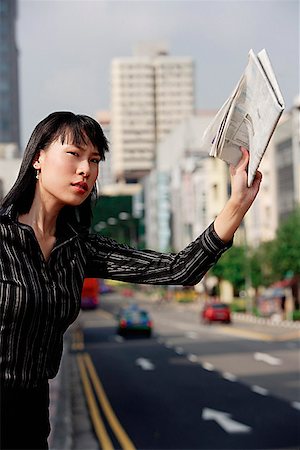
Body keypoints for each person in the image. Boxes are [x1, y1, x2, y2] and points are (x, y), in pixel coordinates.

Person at [0, 111, 262, 449]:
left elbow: (179, 269)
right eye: (74, 154)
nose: (86, 170)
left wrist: (237, 203)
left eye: (95, 160)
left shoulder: (79, 248)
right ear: (38, 157)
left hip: (32, 421)